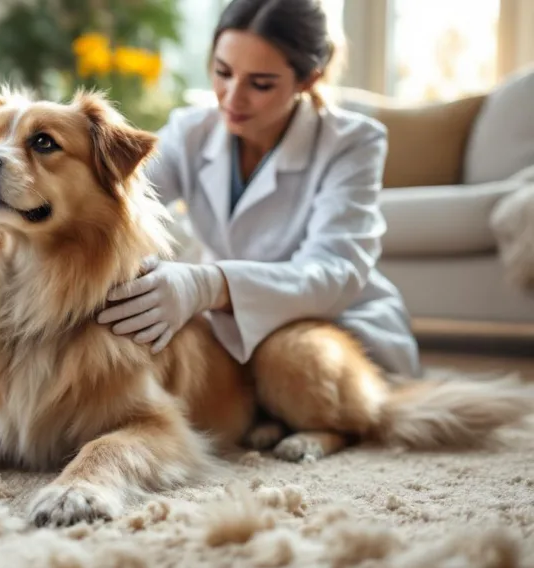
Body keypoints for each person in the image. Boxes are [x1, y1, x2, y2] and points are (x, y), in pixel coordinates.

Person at [96, 0, 422, 377]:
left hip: (338, 324)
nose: (232, 98)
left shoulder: (352, 142)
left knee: (299, 375)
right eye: (222, 72)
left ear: (308, 80)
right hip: (229, 325)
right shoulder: (190, 131)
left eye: (260, 84)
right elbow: (115, 198)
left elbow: (335, 272)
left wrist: (208, 284)